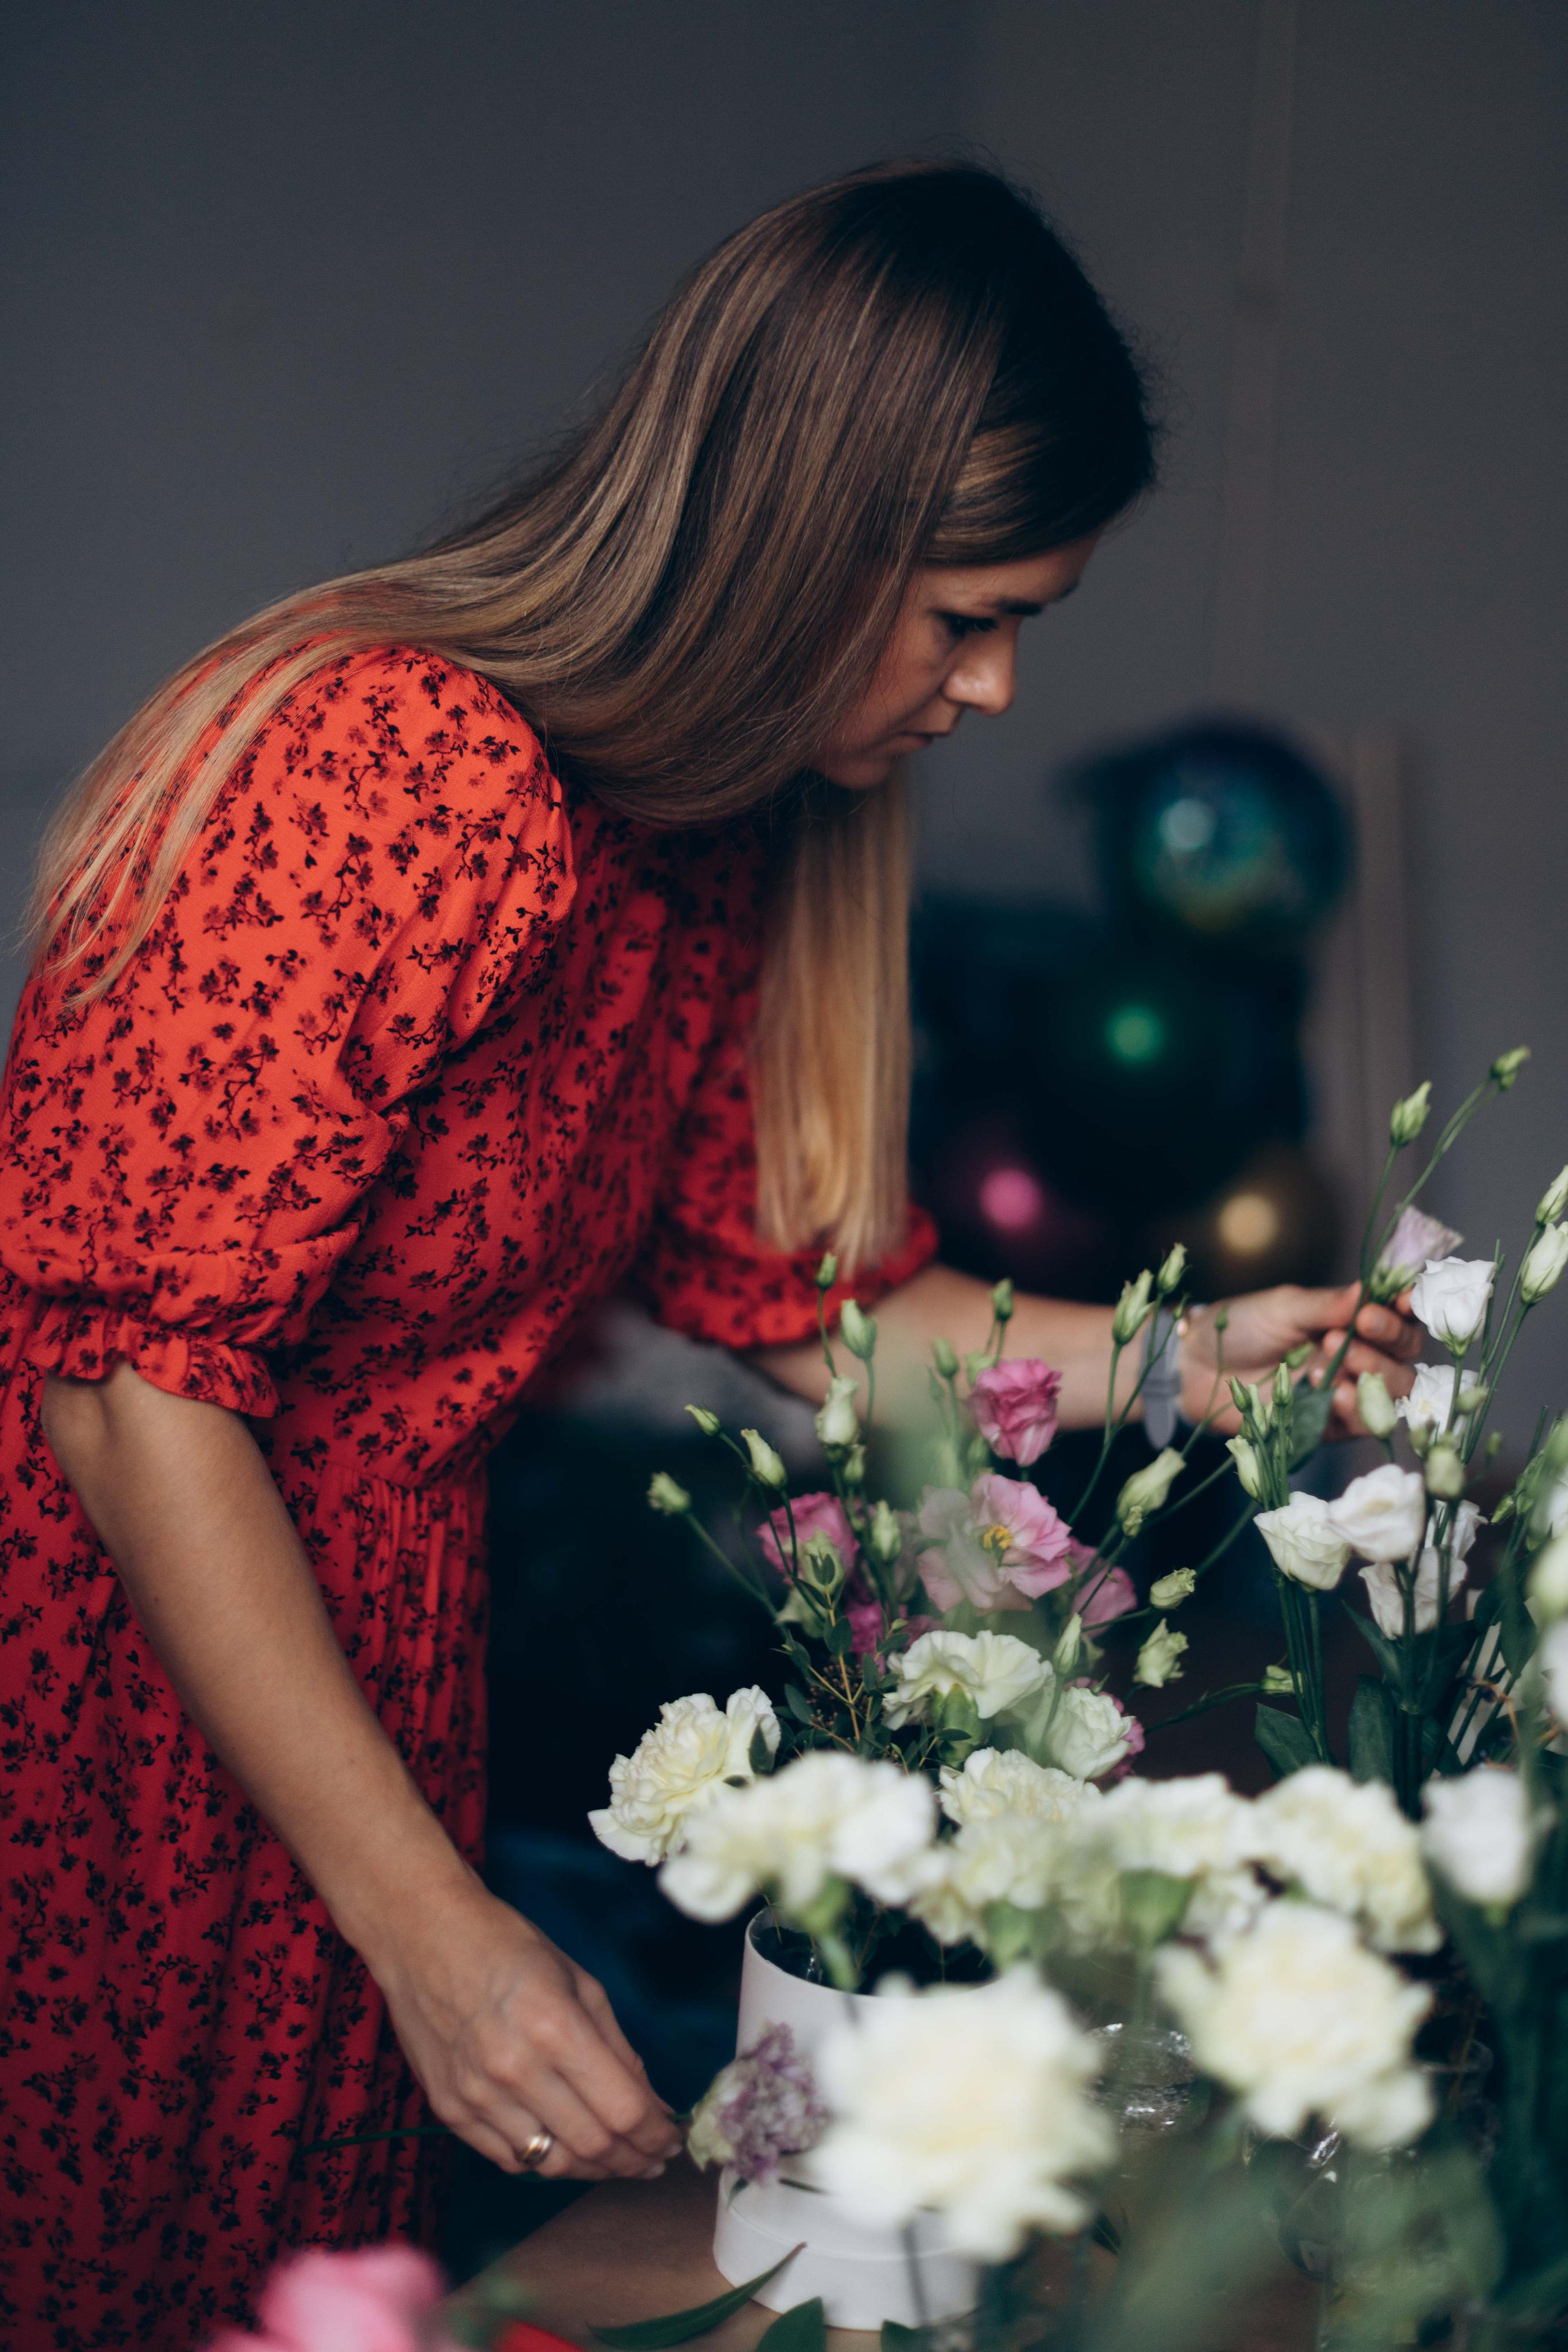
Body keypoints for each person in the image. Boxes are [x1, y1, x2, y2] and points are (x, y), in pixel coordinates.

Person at [0, 161, 1417, 2346]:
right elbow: (129, 1380)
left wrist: (1182, 1359)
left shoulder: (686, 847)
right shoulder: (400, 766)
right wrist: (424, 1918)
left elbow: (813, 1306)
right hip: (108, 1693)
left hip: (354, 1678)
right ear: (804, 547)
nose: (1002, 693)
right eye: (968, 617)